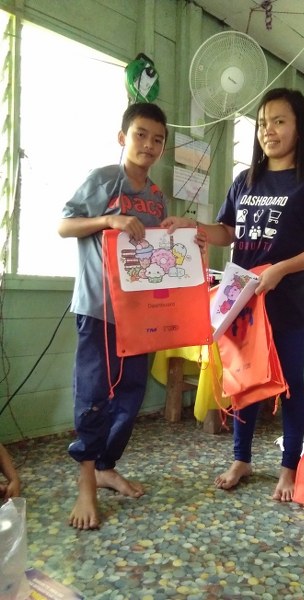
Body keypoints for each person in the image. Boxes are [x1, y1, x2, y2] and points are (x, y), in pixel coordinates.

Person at [162, 87, 304, 501]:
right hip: (243, 304)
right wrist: (195, 227)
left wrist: (282, 268)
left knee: (289, 385)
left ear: (299, 127)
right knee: (243, 381)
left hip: (289, 304)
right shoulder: (245, 180)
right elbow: (228, 231)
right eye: (263, 123)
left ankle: (289, 466)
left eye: (279, 121)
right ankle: (241, 458)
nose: (269, 131)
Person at [58, 102, 172, 530]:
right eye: (141, 134)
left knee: (130, 396)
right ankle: (86, 481)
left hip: (140, 314)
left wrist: (181, 239)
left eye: (157, 139)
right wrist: (109, 220)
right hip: (98, 308)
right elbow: (65, 226)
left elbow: (156, 254)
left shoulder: (157, 197)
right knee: (94, 394)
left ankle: (106, 466)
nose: (149, 145)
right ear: (123, 137)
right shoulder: (103, 179)